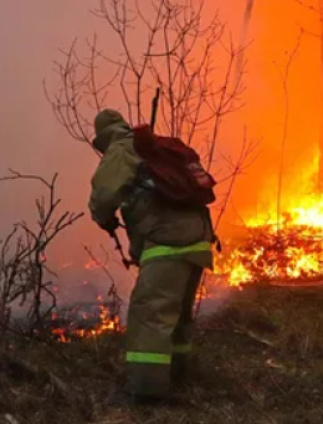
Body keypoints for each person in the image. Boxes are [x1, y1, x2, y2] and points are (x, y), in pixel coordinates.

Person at [88, 109, 215, 402]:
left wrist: (103, 217)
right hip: (198, 239)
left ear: (104, 137)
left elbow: (104, 194)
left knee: (150, 315)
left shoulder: (120, 149)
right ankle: (179, 375)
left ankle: (146, 392)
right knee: (178, 315)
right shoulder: (156, 146)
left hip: (167, 241)